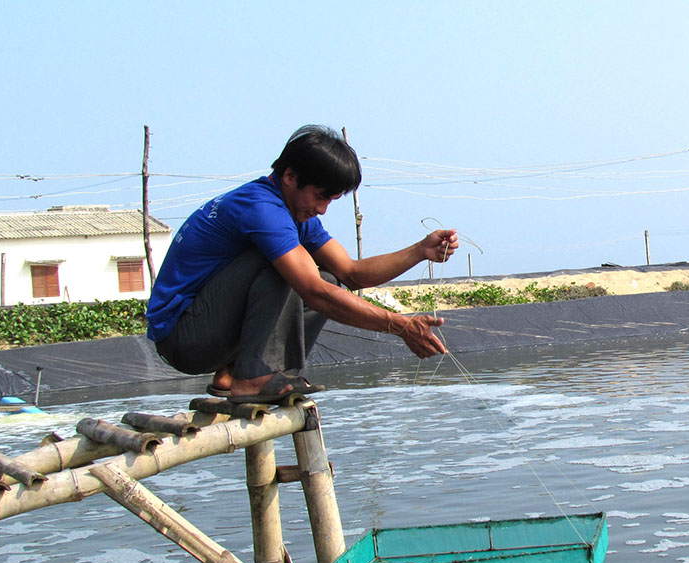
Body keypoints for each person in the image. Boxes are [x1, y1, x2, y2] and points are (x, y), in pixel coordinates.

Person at [146, 124, 458, 404]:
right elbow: (313, 292)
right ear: (290, 176)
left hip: (214, 333)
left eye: (330, 201)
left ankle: (237, 373)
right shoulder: (261, 209)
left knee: (329, 279)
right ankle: (255, 377)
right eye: (319, 197)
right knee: (289, 268)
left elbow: (351, 273)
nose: (321, 209)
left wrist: (420, 250)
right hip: (183, 338)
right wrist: (400, 325)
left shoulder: (294, 212)